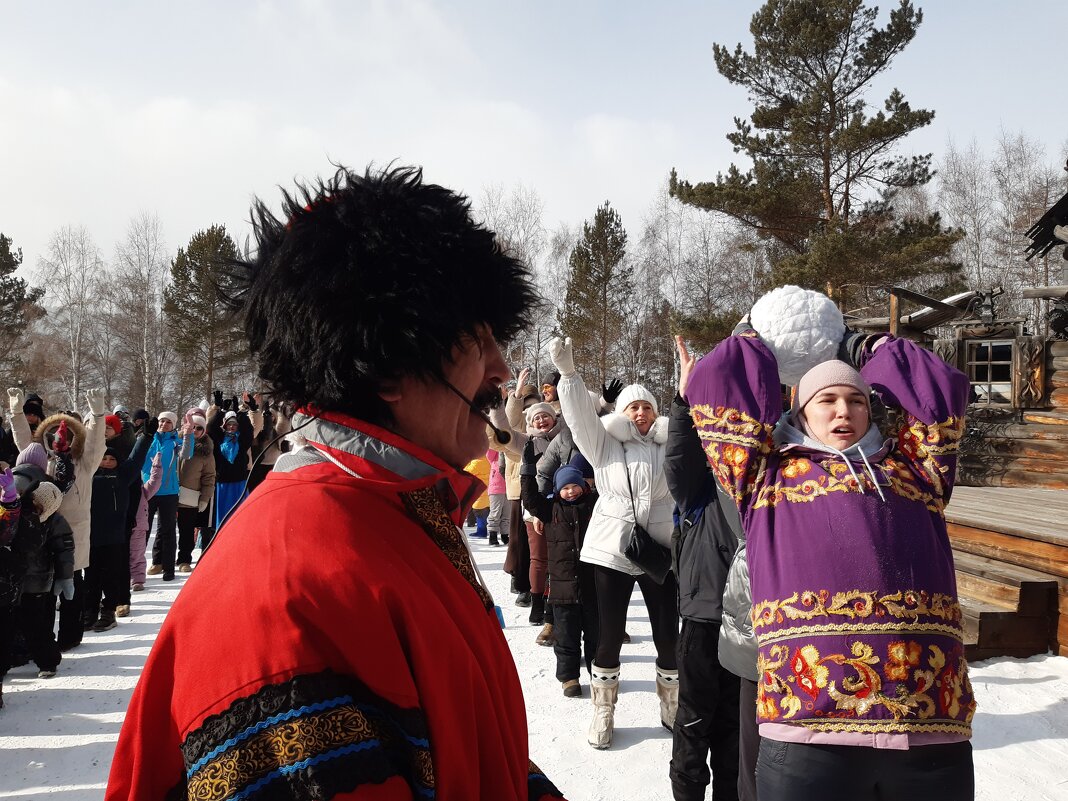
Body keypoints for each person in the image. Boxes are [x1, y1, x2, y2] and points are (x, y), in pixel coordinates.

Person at [107, 164, 566, 801]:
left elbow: (473, 749)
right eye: (478, 341)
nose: (502, 368)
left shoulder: (396, 515)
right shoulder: (292, 588)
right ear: (387, 365)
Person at [685, 287, 976, 801]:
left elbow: (940, 392)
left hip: (928, 727)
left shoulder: (918, 473)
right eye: (827, 400)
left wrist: (861, 347)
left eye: (857, 400)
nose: (844, 410)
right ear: (800, 412)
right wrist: (762, 334)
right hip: (809, 728)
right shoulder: (763, 476)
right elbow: (717, 382)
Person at [549, 336, 680, 750]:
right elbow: (579, 419)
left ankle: (671, 704)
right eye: (633, 407)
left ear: (656, 413)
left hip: (660, 550)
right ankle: (603, 710)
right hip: (612, 550)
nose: (641, 413)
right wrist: (569, 376)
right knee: (608, 635)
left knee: (667, 635)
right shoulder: (603, 444)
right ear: (622, 413)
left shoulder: (670, 444)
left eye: (647, 407)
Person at [666, 337, 743, 801]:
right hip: (704, 619)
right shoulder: (701, 487)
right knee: (694, 724)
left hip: (753, 626)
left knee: (738, 731)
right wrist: (683, 402)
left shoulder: (764, 479)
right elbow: (678, 460)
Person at [8, 388, 106, 652]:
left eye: (68, 435)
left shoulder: (84, 464)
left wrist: (98, 415)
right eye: (54, 435)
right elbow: (25, 442)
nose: (60, 439)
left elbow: (96, 443)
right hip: (43, 536)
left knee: (73, 587)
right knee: (45, 594)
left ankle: (70, 637)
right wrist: (16, 413)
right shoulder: (44, 464)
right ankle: (43, 644)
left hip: (74, 535)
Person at [521, 448, 599, 698]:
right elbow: (529, 499)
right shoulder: (550, 509)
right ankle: (569, 678)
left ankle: (599, 675)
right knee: (566, 637)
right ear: (557, 490)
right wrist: (527, 470)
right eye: (565, 488)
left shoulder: (593, 505)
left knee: (596, 636)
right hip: (562, 589)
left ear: (583, 486)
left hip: (592, 585)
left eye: (575, 486)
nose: (571, 491)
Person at [86, 431, 152, 631]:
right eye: (104, 458)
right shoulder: (89, 476)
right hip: (92, 535)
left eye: (112, 459)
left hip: (115, 535)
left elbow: (136, 458)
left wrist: (146, 437)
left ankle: (108, 611)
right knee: (91, 576)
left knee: (111, 576)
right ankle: (89, 612)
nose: (107, 462)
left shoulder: (123, 476)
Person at [176, 408, 215, 568]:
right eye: (193, 427)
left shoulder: (206, 452)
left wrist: (205, 498)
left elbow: (209, 477)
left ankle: (184, 559)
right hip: (169, 492)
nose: (195, 430)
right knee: (165, 529)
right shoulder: (176, 442)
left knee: (186, 530)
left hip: (189, 496)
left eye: (199, 428)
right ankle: (161, 560)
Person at [144, 411, 182, 581]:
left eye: (168, 422)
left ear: (173, 425)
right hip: (148, 491)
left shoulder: (175, 442)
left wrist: (189, 434)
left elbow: (187, 453)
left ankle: (168, 568)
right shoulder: (148, 440)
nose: (164, 424)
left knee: (167, 530)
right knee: (143, 530)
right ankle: (140, 568)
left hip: (169, 492)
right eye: (162, 421)